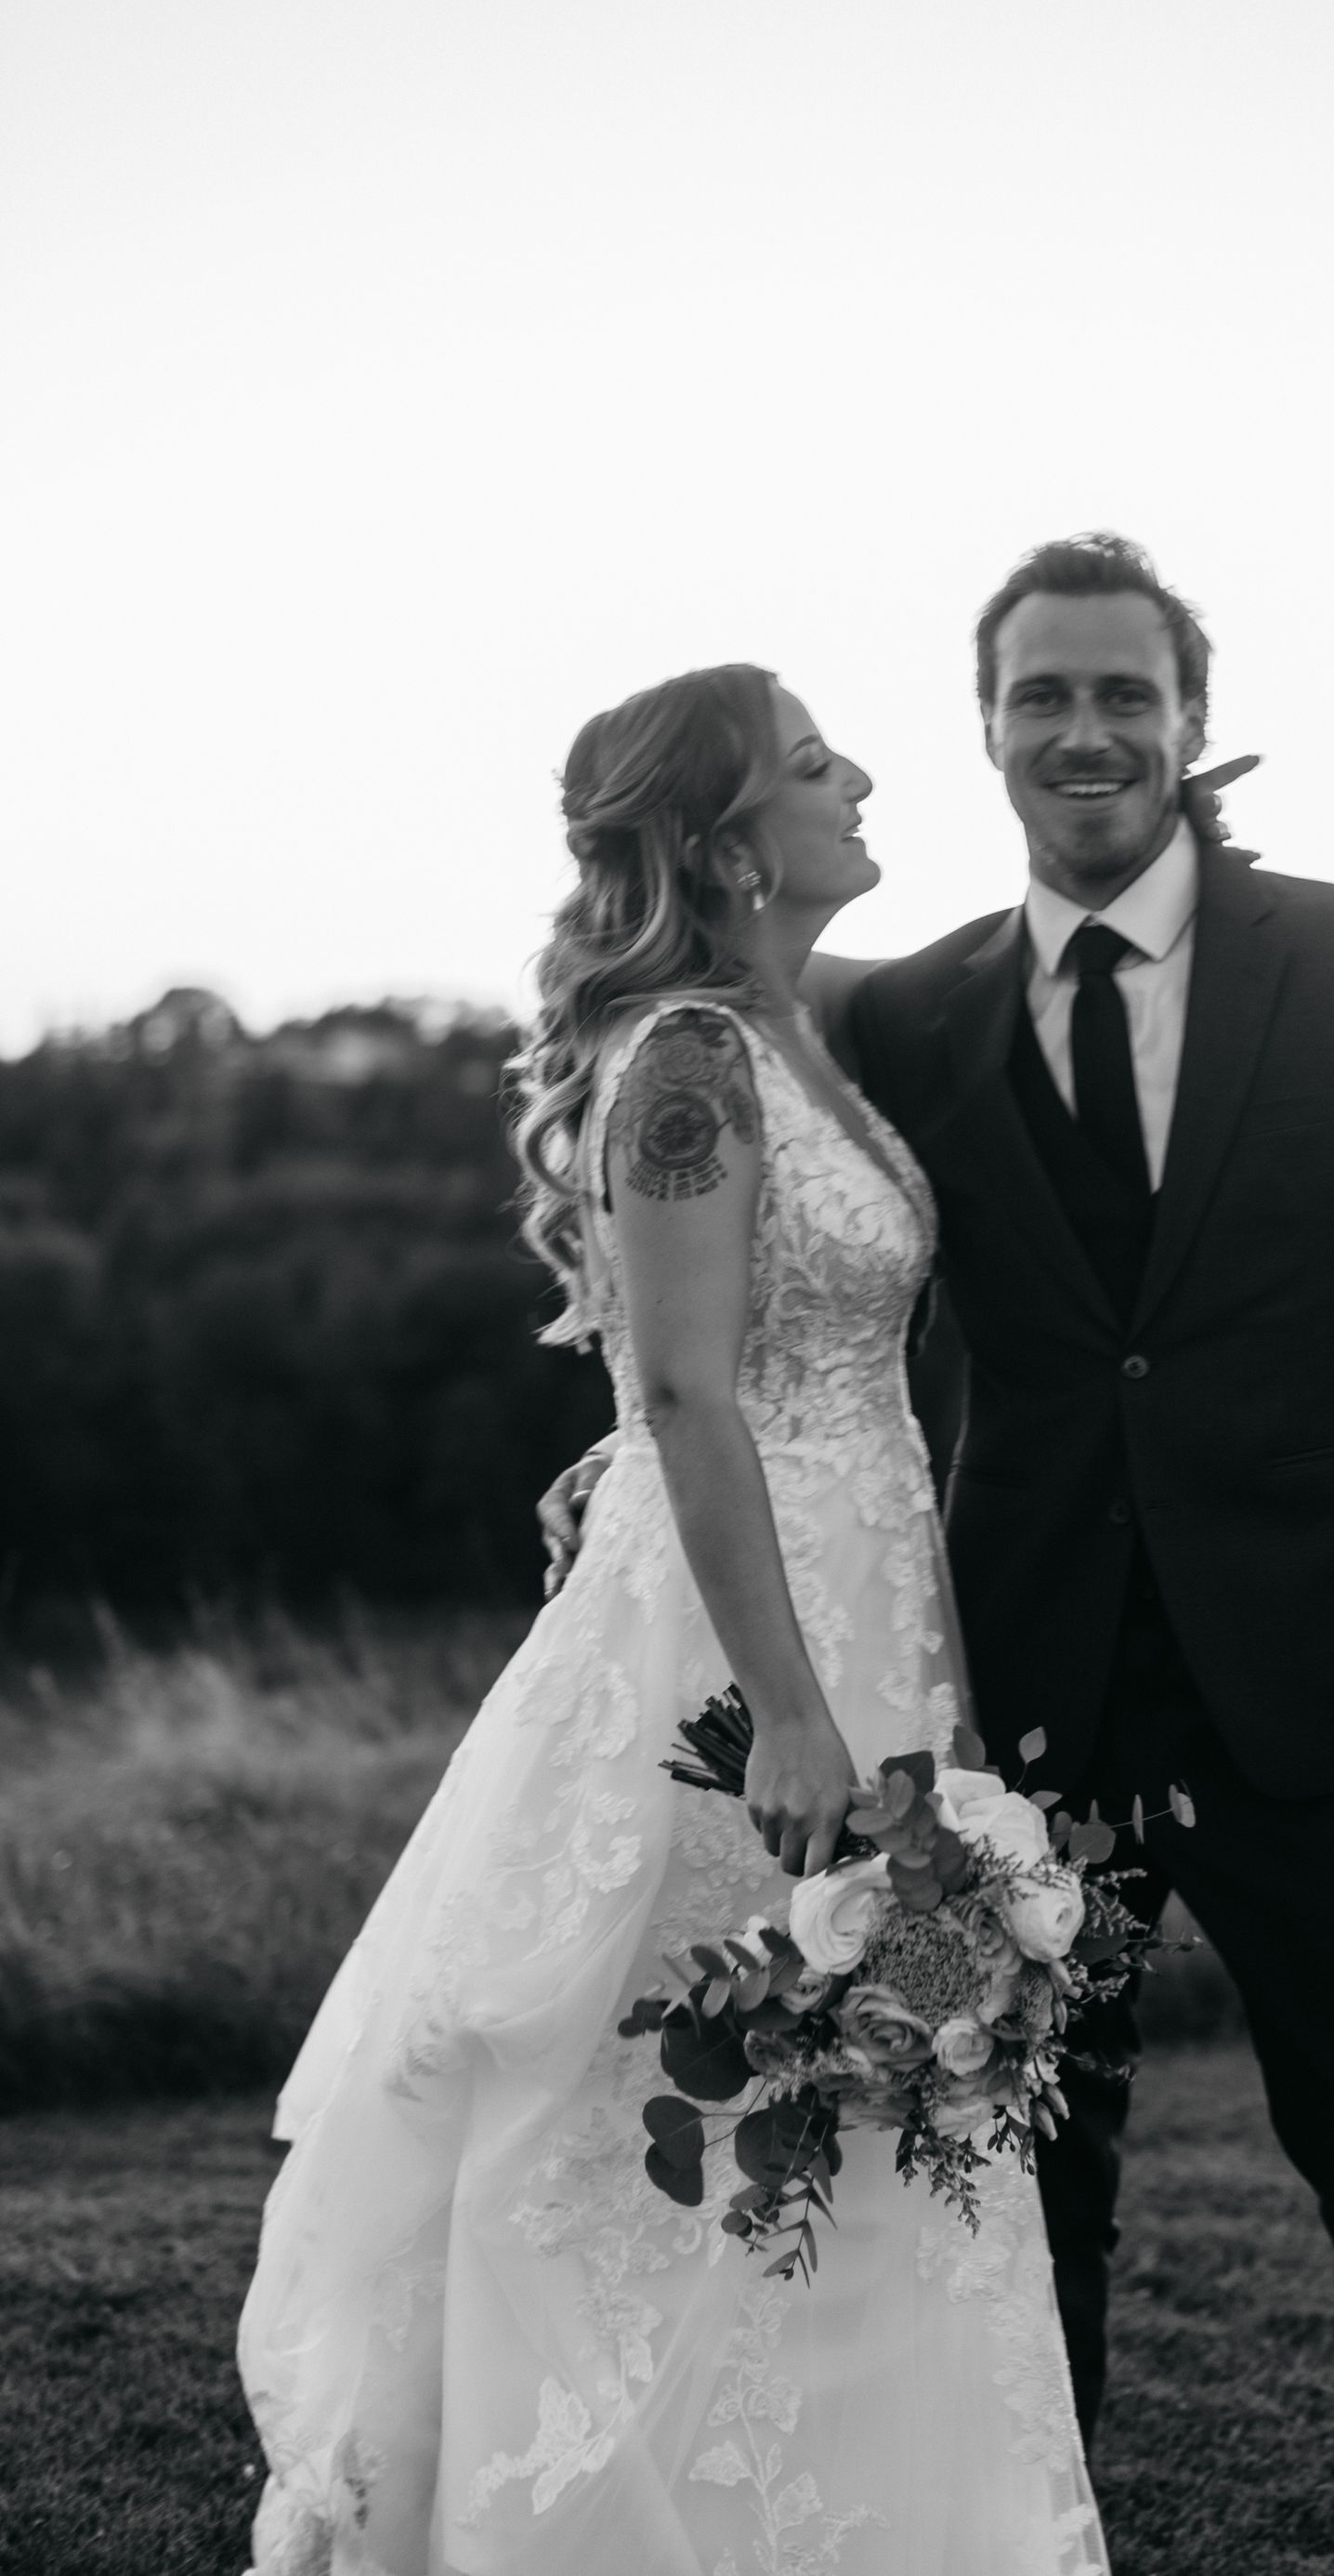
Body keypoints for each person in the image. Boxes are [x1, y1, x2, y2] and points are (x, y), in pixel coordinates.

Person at [543, 537, 1334, 2575]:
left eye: (1125, 693)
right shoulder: (908, 1010)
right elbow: (747, 1269)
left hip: (1305, 1687)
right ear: (990, 729)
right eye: (1043, 695)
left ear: (1192, 724)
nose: (1084, 731)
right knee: (1012, 2200)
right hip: (1010, 1716)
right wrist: (624, 1454)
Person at [238, 665, 1109, 2575]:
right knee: (686, 2098)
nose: (859, 774)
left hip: (873, 1604)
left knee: (856, 2084)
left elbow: (703, 1359)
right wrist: (787, 1705)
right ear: (722, 844)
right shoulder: (693, 1058)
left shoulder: (795, 1030)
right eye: (811, 762)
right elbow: (698, 1392)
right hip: (745, 1650)